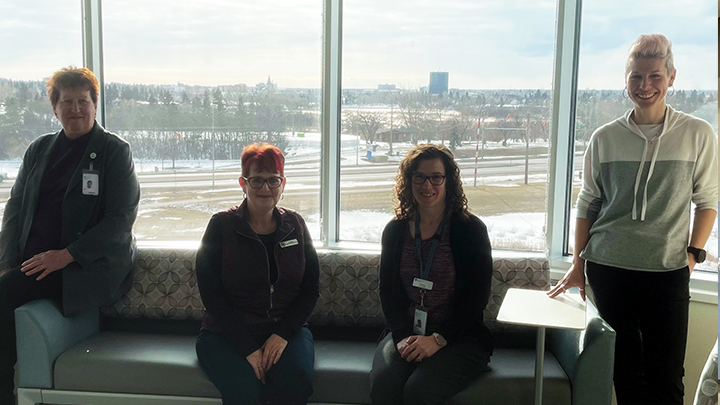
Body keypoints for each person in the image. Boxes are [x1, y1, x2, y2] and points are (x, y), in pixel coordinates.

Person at [548, 33, 717, 405]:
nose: (645, 86)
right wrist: (578, 265)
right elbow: (587, 204)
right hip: (610, 270)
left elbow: (707, 202)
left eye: (655, 76)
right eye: (636, 77)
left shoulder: (697, 134)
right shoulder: (604, 138)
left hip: (667, 272)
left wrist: (691, 256)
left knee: (667, 377)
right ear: (626, 81)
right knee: (624, 374)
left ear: (672, 77)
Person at [0, 66, 140, 404]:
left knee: (3, 294)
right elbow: (15, 210)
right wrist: (6, 263)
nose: (75, 109)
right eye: (67, 102)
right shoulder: (39, 149)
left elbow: (120, 220)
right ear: (54, 108)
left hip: (84, 267)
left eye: (83, 101)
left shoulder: (113, 151)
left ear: (95, 104)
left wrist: (67, 255)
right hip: (36, 262)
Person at [195, 143, 319, 405]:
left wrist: (282, 334)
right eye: (257, 181)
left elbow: (311, 288)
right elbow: (211, 294)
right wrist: (247, 348)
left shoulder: (294, 225)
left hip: (286, 330)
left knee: (294, 381)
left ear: (283, 184)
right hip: (224, 334)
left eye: (273, 180)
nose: (265, 189)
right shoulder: (221, 226)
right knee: (244, 389)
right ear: (243, 183)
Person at [370, 144, 494, 405]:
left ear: (449, 180)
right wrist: (403, 336)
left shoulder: (469, 229)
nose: (428, 186)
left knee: (419, 391)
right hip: (407, 332)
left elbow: (476, 298)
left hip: (460, 338)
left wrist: (438, 339)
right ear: (409, 181)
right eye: (420, 177)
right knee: (386, 385)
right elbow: (388, 293)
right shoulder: (395, 230)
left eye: (436, 177)